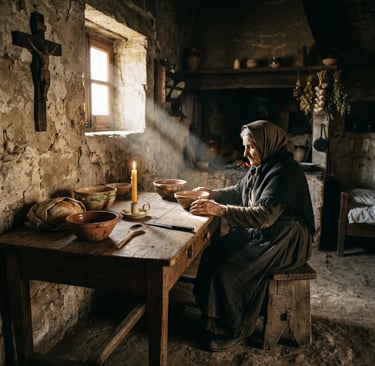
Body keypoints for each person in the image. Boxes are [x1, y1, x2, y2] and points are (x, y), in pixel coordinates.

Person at [190, 120, 315, 352]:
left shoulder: (285, 172)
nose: (246, 152)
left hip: (288, 239)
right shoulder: (262, 166)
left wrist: (220, 210)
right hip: (267, 232)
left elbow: (265, 215)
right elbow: (240, 191)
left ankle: (234, 330)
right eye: (245, 146)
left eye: (251, 146)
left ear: (267, 144)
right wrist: (212, 193)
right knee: (214, 253)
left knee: (231, 270)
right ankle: (213, 320)